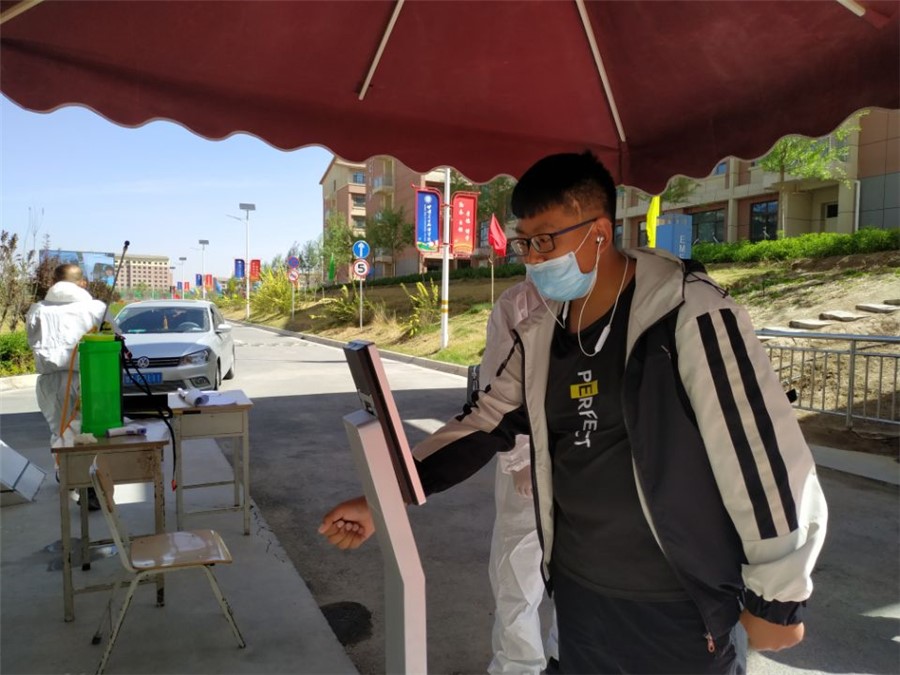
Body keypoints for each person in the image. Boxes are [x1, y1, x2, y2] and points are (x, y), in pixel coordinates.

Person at [320, 151, 828, 673]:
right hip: (581, 598)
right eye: (525, 243)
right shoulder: (543, 334)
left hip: (678, 605)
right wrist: (385, 498)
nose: (533, 259)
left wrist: (778, 598)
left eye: (546, 241)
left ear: (600, 233)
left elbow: (759, 454)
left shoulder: (687, 314)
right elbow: (483, 422)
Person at [481, 279, 558, 675]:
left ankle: (567, 661)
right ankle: (518, 667)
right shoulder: (519, 301)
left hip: (591, 462)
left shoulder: (611, 295)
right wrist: (520, 457)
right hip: (530, 462)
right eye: (528, 248)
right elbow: (498, 385)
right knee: (518, 577)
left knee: (584, 580)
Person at [26, 264, 106, 507]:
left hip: (50, 381)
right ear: (82, 283)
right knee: (89, 433)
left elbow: (32, 340)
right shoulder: (96, 308)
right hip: (89, 378)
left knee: (61, 431)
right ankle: (89, 483)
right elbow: (114, 338)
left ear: (54, 282)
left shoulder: (38, 310)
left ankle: (68, 475)